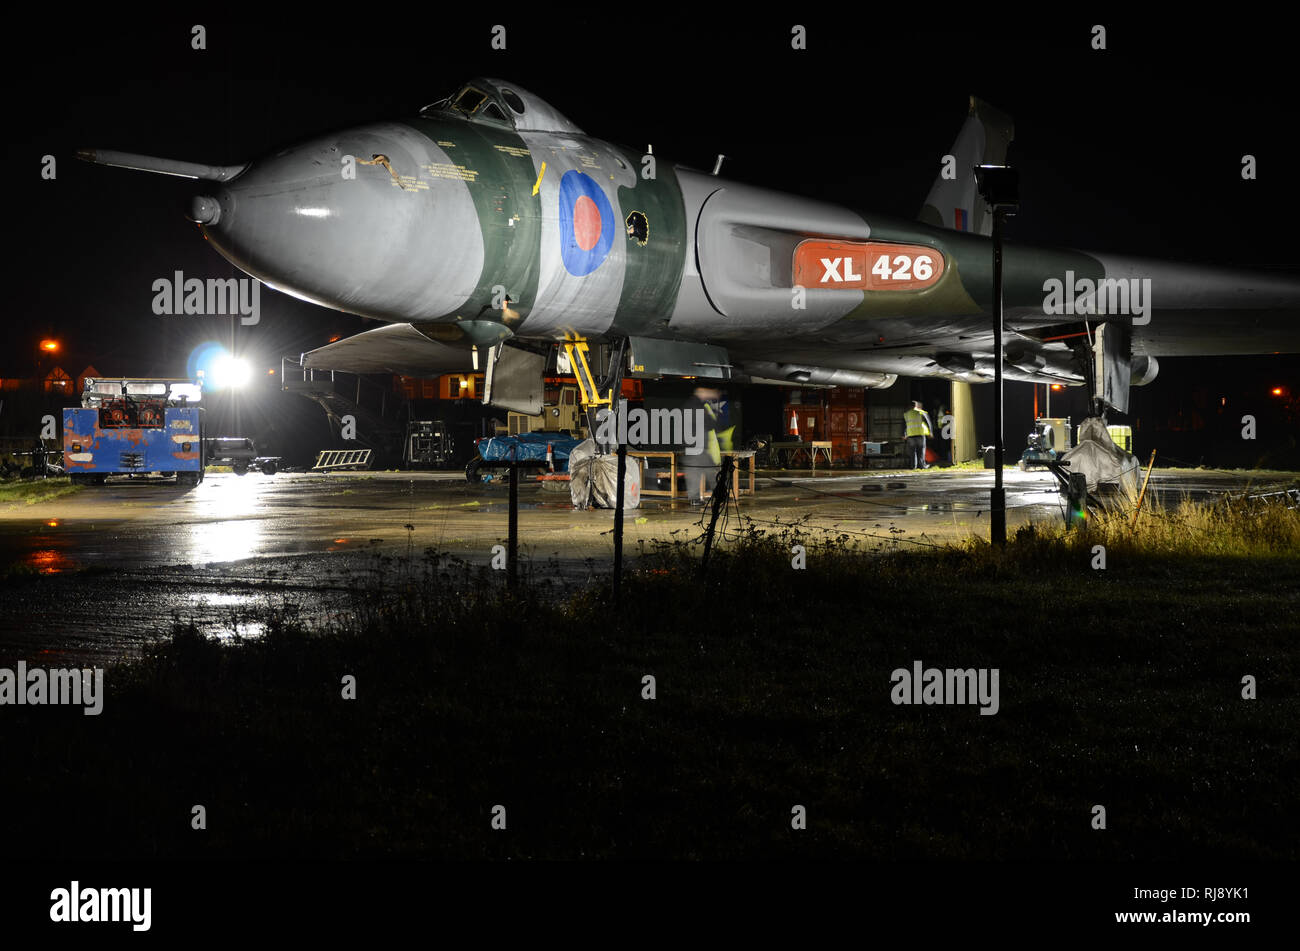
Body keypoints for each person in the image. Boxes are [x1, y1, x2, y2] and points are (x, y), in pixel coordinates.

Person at [903, 400, 933, 470]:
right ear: (916, 406)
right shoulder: (921, 413)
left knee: (912, 452)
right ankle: (922, 466)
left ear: (909, 406)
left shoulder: (906, 414)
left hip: (910, 435)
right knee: (921, 451)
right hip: (920, 435)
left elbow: (903, 425)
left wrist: (904, 434)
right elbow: (928, 422)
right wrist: (930, 432)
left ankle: (913, 466)